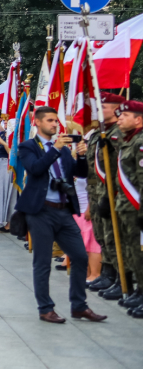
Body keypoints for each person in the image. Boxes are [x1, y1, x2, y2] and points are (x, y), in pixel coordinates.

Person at [16, 106, 105, 324]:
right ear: (37, 122)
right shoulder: (28, 147)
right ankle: (46, 308)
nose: (55, 124)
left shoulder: (64, 149)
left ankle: (79, 306)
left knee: (80, 256)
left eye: (56, 121)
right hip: (41, 211)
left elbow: (79, 173)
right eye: (49, 121)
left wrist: (82, 157)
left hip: (64, 210)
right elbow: (35, 170)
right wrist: (54, 149)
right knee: (43, 262)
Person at [85, 93, 124, 296]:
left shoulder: (118, 134)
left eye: (105, 107)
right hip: (95, 190)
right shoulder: (97, 134)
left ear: (117, 109)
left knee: (113, 235)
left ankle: (120, 278)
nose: (100, 110)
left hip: (111, 192)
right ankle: (107, 274)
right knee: (102, 235)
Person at [113, 101, 143, 313]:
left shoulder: (140, 143)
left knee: (139, 251)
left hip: (136, 207)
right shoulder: (128, 141)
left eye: (124, 116)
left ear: (138, 119)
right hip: (126, 206)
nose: (119, 119)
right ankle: (138, 291)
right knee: (131, 250)